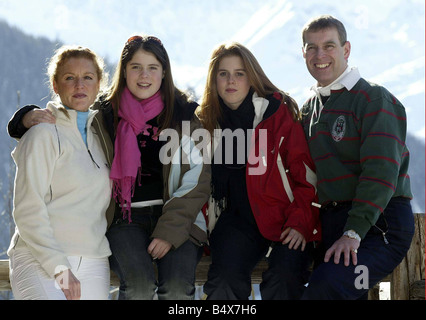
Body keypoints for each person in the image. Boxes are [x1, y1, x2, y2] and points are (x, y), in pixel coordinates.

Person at [7, 35, 211, 300]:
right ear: (124, 72)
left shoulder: (185, 116)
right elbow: (68, 111)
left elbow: (198, 181)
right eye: (136, 67)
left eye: (152, 68)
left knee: (176, 289)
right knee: (138, 286)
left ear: (164, 72)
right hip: (124, 219)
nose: (144, 75)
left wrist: (169, 231)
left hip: (175, 218)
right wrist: (24, 118)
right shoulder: (106, 114)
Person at [299, 15, 414, 300]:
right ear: (303, 54)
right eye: (311, 48)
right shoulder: (308, 108)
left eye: (329, 45)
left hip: (379, 224)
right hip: (333, 221)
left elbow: (380, 172)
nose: (320, 55)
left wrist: (353, 232)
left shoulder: (373, 98)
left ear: (346, 49)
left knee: (328, 285)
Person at [197, 42, 321, 300]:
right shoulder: (206, 123)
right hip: (237, 224)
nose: (231, 81)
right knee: (223, 282)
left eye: (239, 73)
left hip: (286, 220)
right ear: (214, 80)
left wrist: (299, 223)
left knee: (283, 279)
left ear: (251, 78)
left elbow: (306, 177)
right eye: (223, 74)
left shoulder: (277, 114)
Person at [7, 45, 112, 300]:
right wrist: (59, 268)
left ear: (99, 84)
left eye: (87, 77)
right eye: (69, 78)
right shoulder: (42, 132)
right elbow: (27, 209)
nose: (79, 85)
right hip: (39, 257)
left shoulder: (104, 136)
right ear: (55, 85)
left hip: (94, 259)